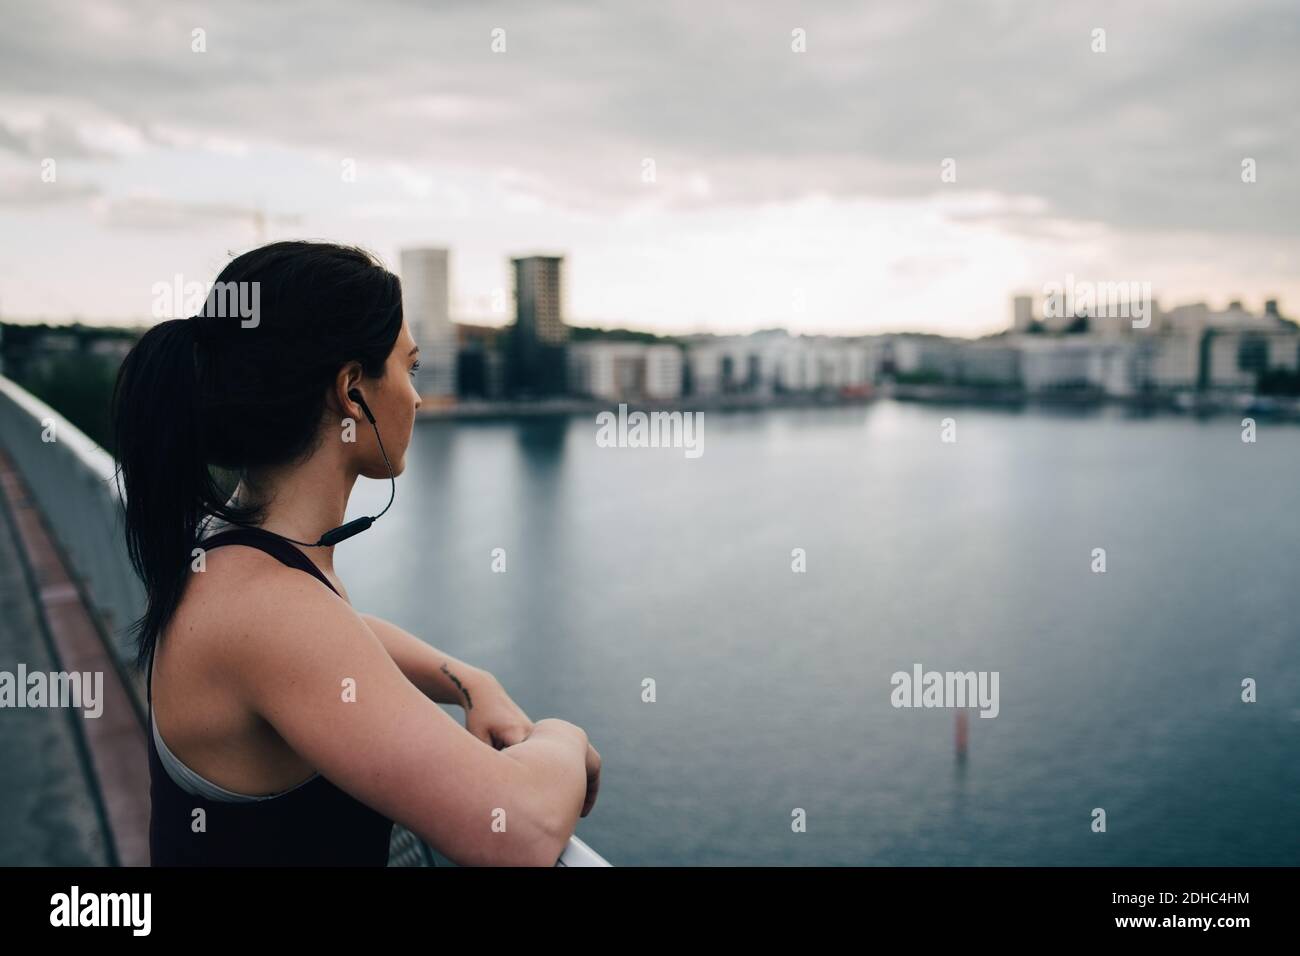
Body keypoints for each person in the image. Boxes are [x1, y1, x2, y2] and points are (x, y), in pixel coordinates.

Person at [111, 240, 599, 866]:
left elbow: (342, 637)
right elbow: (517, 832)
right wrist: (564, 736)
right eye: (410, 369)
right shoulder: (269, 608)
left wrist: (469, 682)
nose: (417, 398)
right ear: (351, 391)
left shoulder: (230, 551)